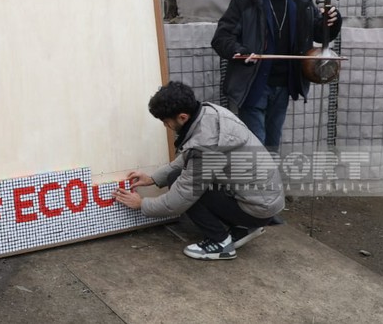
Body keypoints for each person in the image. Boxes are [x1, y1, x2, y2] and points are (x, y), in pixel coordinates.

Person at [113, 81, 284, 260]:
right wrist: (154, 179)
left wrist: (142, 204)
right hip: (263, 200)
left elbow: (179, 199)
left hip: (256, 208)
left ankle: (221, 243)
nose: (166, 126)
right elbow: (190, 156)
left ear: (182, 117)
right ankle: (243, 228)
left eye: (166, 121)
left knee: (182, 186)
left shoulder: (206, 145)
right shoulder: (209, 114)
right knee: (175, 177)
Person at [211, 0, 342, 152]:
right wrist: (241, 52)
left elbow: (319, 33)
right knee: (256, 146)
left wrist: (333, 21)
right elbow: (221, 38)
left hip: (283, 85)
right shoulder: (245, 0)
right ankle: (257, 184)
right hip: (252, 84)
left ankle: (268, 184)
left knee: (272, 142)